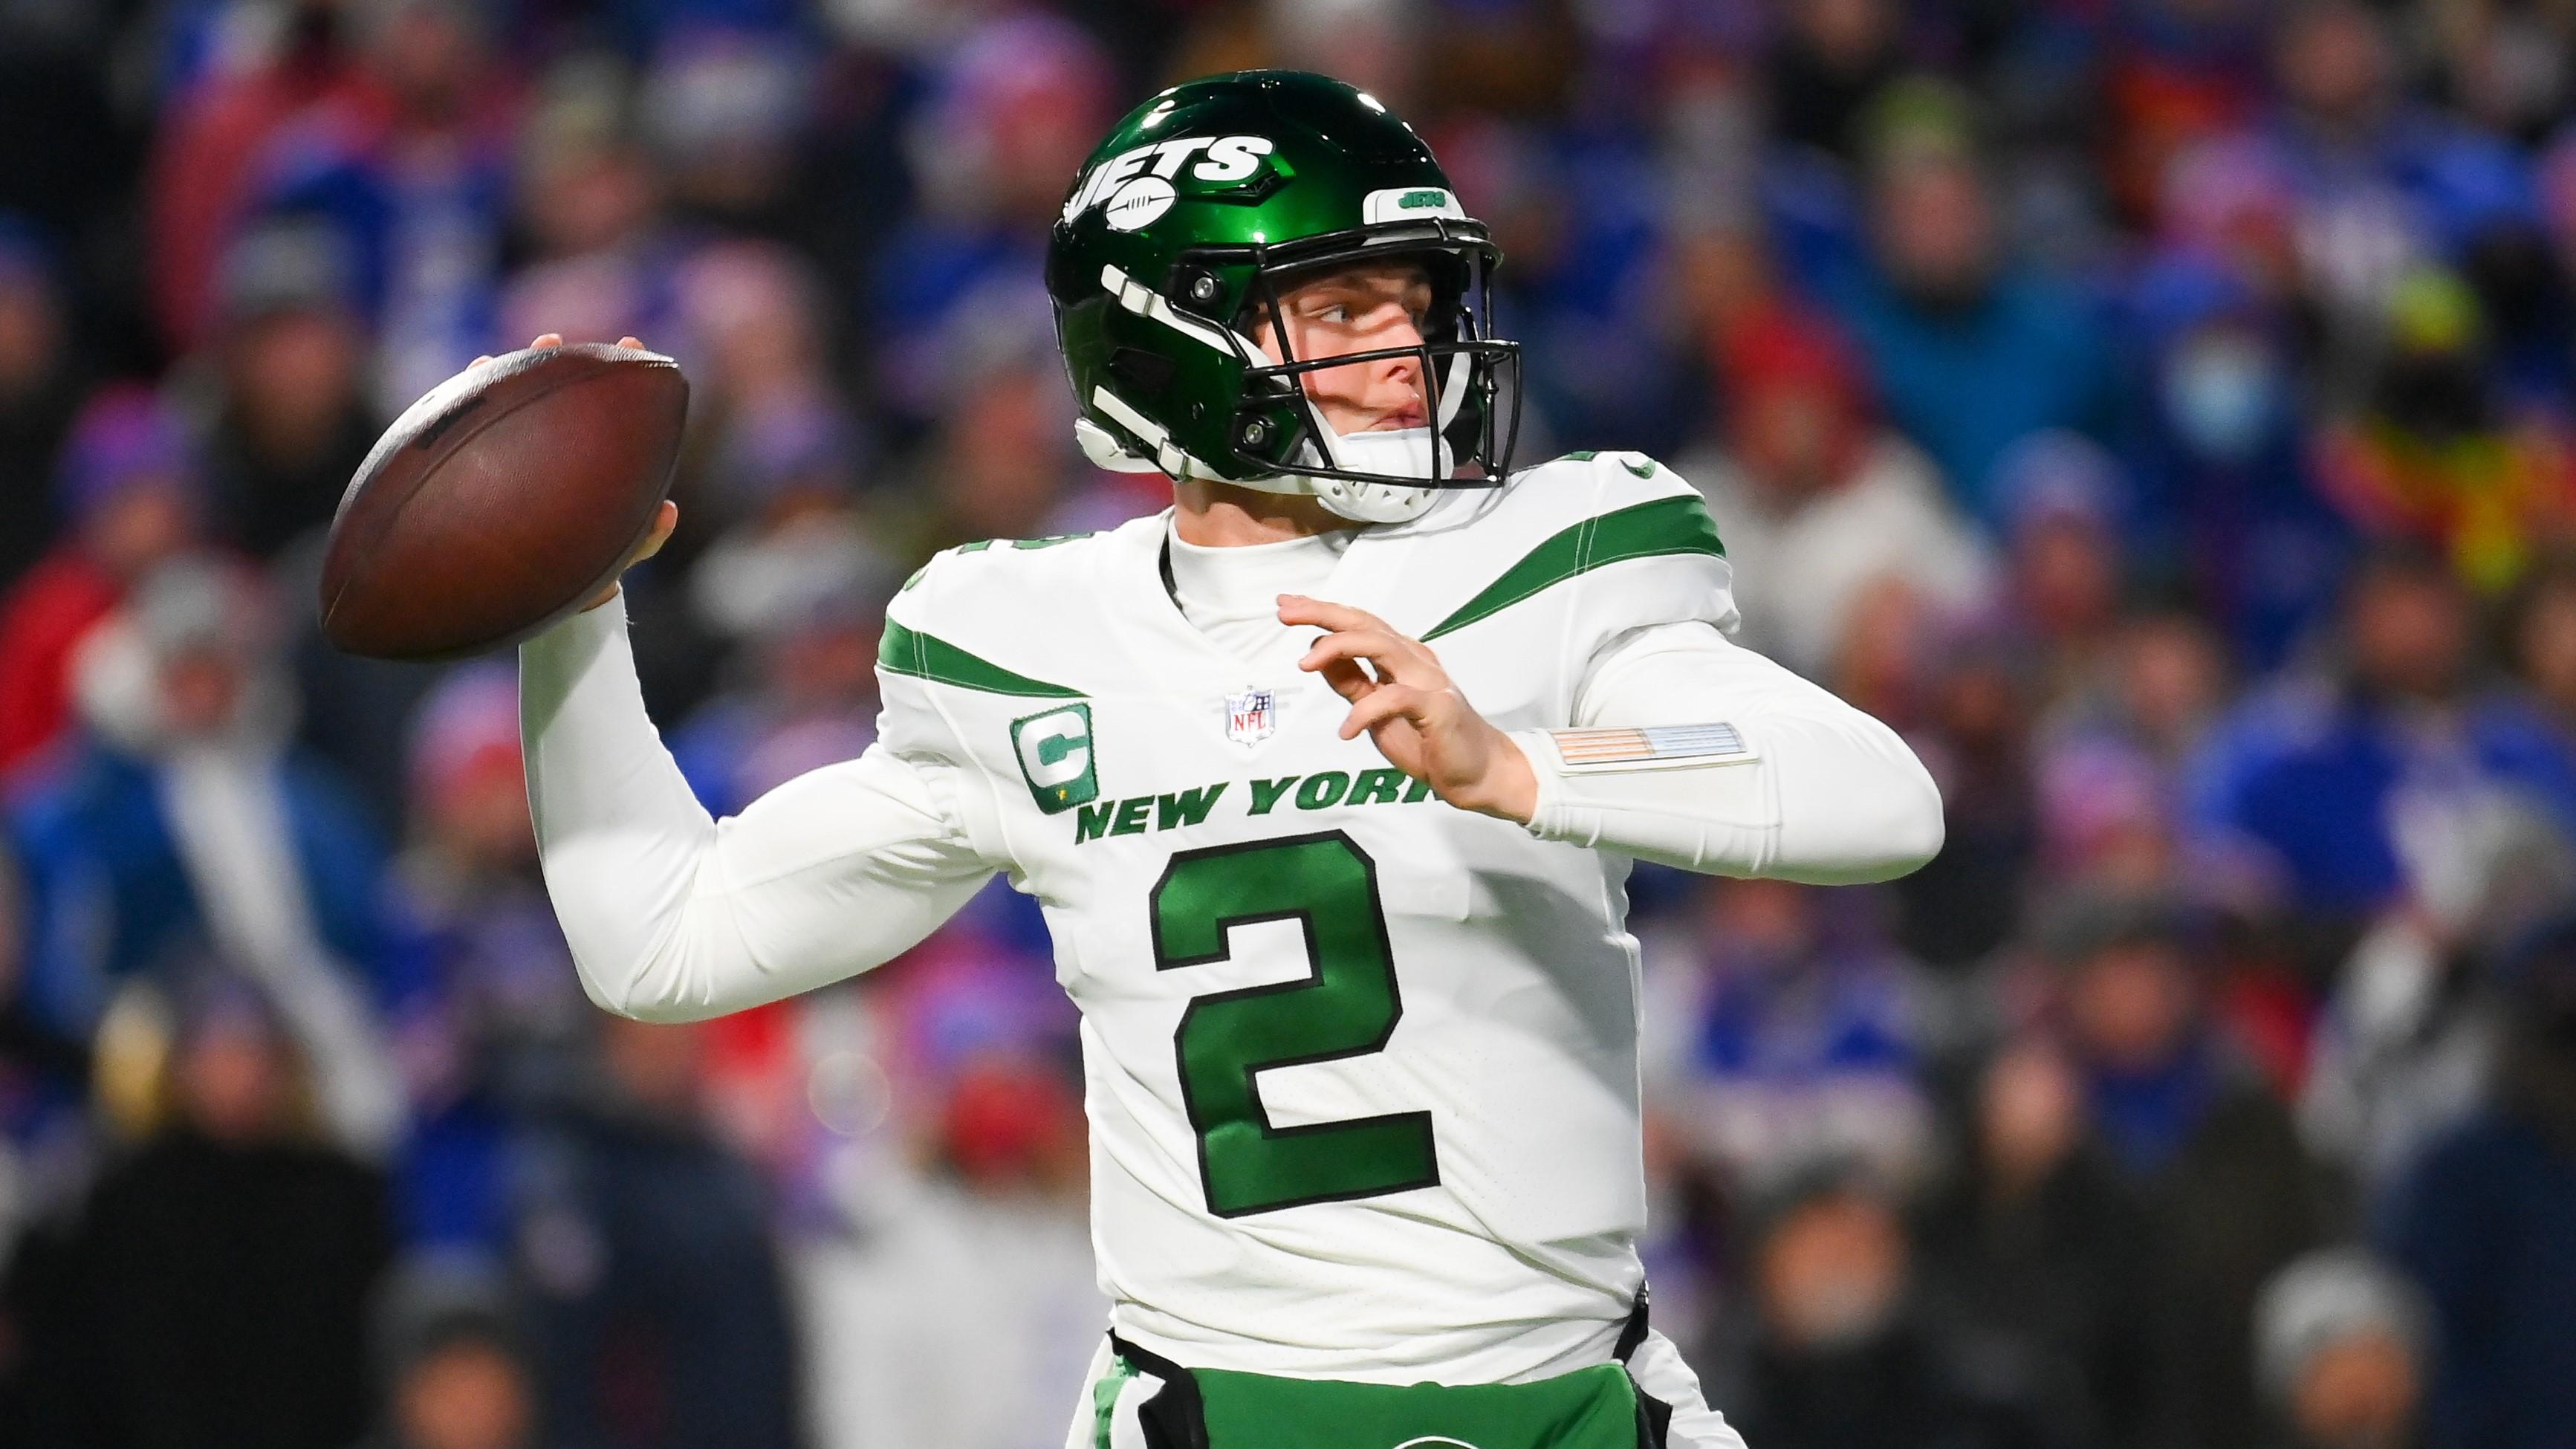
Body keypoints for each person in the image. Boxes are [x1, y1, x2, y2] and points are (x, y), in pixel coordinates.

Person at [513, 71, 1943, 1448]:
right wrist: (570, 613)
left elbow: (1880, 797)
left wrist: (1522, 765)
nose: (1406, 353)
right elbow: (666, 942)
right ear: (1170, 336)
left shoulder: (1546, 561)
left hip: (1567, 1398)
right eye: (1339, 306)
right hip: (1218, 1414)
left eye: (1418, 301)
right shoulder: (1020, 642)